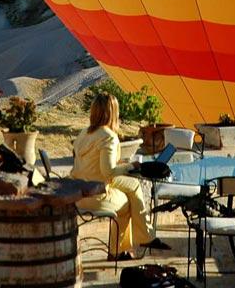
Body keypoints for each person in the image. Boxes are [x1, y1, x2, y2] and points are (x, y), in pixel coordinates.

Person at [72, 93, 170, 260]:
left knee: (133, 185)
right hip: (95, 195)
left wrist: (123, 166)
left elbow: (96, 167)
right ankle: (118, 251)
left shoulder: (84, 133)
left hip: (77, 192)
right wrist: (131, 166)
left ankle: (145, 236)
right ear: (113, 113)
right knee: (126, 203)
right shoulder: (108, 137)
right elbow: (108, 172)